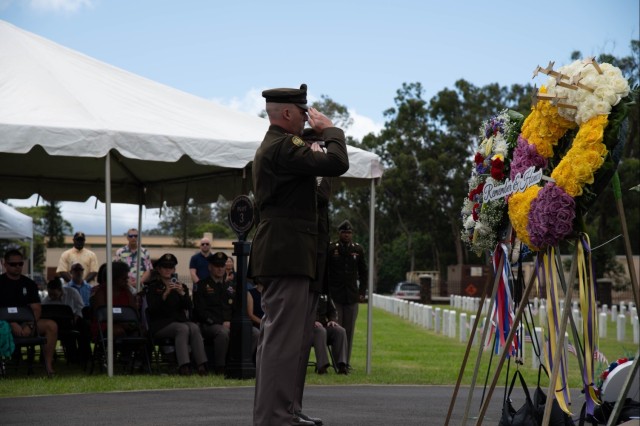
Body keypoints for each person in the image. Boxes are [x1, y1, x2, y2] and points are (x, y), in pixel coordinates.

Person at [249, 83, 349, 426]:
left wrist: (315, 135)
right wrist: (331, 129)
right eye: (303, 113)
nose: (308, 118)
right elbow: (337, 161)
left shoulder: (284, 147)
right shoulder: (282, 147)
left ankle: (287, 411)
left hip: (294, 256)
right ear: (288, 113)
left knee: (292, 342)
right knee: (281, 343)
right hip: (285, 256)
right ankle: (275, 416)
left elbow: (315, 199)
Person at [293, 129, 336, 419]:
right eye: (316, 145)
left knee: (303, 342)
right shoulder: (300, 171)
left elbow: (325, 197)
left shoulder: (322, 176)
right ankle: (287, 408)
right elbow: (315, 199)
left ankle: (295, 407)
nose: (320, 150)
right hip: (298, 264)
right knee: (292, 343)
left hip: (314, 268)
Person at [146, 253, 207, 376]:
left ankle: (201, 365)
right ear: (159, 269)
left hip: (178, 321)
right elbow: (152, 309)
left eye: (171, 267)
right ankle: (184, 366)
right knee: (182, 328)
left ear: (174, 269)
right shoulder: (153, 287)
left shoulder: (181, 286)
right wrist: (165, 294)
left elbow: (189, 307)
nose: (168, 270)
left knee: (194, 327)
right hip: (161, 324)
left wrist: (182, 293)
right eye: (165, 267)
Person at [0, 249, 58, 374]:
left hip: (27, 323)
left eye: (20, 264)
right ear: (4, 264)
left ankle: (48, 365)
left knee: (51, 325)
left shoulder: (30, 284)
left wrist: (29, 324)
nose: (17, 267)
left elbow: (36, 309)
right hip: (3, 324)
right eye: (13, 264)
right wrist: (10, 323)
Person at [327, 220, 368, 370]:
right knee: (338, 329)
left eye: (349, 233)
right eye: (344, 232)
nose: (347, 235)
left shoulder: (358, 249)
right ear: (339, 233)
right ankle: (337, 361)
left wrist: (362, 292)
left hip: (351, 296)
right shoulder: (332, 249)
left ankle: (345, 362)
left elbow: (363, 273)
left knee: (349, 330)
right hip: (336, 296)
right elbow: (327, 272)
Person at [192, 252, 233, 375]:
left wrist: (230, 321)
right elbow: (200, 310)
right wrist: (220, 322)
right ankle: (220, 367)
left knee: (253, 333)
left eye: (222, 265)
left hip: (229, 323)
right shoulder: (201, 286)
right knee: (222, 332)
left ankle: (242, 364)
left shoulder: (230, 287)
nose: (220, 268)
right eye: (217, 266)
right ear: (210, 267)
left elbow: (234, 308)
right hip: (209, 324)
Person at [42, 278, 91, 364]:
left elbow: (81, 307)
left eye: (54, 294)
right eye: (50, 294)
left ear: (60, 290)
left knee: (84, 325)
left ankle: (85, 356)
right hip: (57, 325)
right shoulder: (46, 300)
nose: (51, 297)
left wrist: (77, 317)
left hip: (74, 321)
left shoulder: (72, 292)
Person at [90, 262, 138, 339]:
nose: (126, 280)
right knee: (118, 331)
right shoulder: (101, 292)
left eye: (126, 278)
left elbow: (133, 312)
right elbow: (102, 314)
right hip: (105, 325)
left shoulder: (127, 292)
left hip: (125, 325)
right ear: (114, 278)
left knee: (143, 331)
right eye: (123, 278)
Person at [312, 294, 348, 375]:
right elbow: (298, 311)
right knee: (320, 331)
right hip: (308, 330)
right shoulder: (304, 292)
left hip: (323, 327)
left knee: (340, 331)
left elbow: (332, 311)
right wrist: (312, 321)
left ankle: (342, 365)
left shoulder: (324, 294)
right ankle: (322, 366)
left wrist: (332, 320)